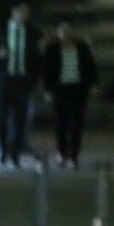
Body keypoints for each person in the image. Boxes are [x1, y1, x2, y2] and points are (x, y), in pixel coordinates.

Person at [0, 2, 43, 168]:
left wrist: (34, 80)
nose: (24, 16)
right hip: (3, 80)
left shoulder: (33, 33)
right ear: (13, 12)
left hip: (22, 81)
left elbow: (37, 59)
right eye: (21, 12)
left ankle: (14, 152)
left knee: (20, 119)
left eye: (27, 13)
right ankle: (3, 148)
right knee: (1, 117)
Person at [42, 20, 97, 170]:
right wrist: (47, 90)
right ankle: (61, 152)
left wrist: (92, 85)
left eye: (68, 30)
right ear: (58, 33)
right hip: (59, 91)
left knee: (76, 124)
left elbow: (90, 67)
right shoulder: (52, 49)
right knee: (60, 123)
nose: (65, 34)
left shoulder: (82, 47)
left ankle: (73, 156)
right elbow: (46, 71)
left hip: (78, 90)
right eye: (62, 31)